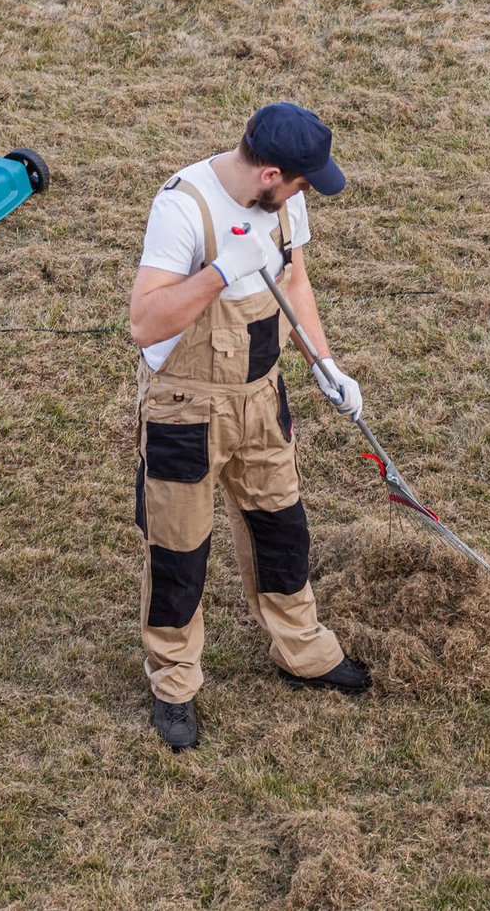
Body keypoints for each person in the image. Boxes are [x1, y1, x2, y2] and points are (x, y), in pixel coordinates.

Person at [128, 102, 372, 751]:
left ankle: (303, 652)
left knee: (281, 531)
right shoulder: (183, 208)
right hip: (186, 406)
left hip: (262, 396)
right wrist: (217, 273)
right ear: (269, 173)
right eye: (299, 182)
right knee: (179, 554)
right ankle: (174, 684)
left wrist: (326, 364)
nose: (304, 194)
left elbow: (296, 279)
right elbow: (145, 324)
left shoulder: (283, 204)